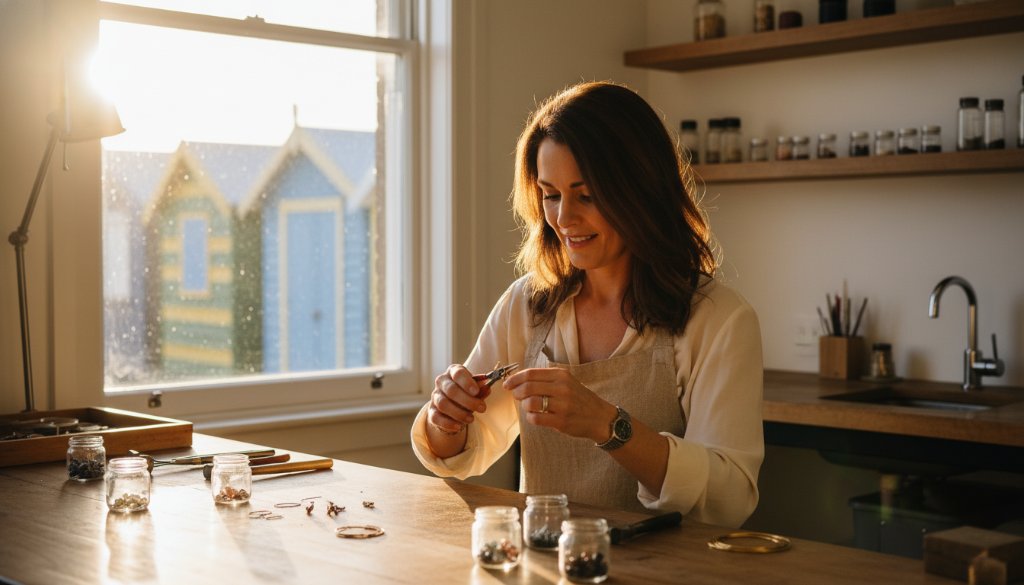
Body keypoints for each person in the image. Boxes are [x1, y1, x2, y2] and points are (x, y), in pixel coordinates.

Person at [410, 81, 763, 528]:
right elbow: (462, 453)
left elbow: (730, 499)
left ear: (641, 190)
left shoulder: (719, 319)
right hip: (545, 569)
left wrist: (608, 425)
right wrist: (448, 419)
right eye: (551, 194)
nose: (563, 218)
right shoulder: (527, 305)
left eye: (587, 194)